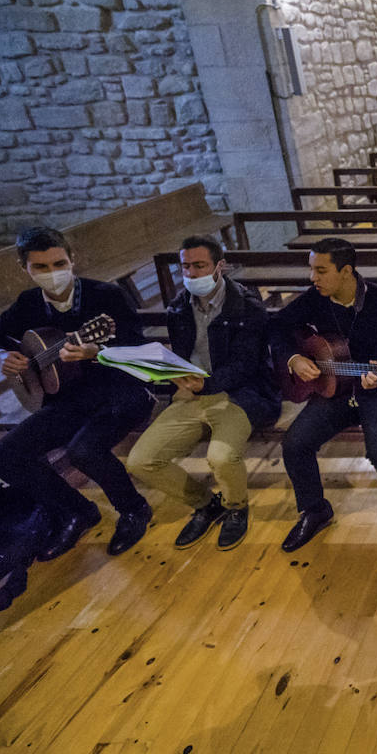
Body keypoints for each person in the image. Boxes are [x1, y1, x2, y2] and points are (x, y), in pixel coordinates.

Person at [0, 226, 154, 560]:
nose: (52, 274)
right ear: (24, 268)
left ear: (73, 259)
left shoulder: (106, 296)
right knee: (3, 457)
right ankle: (77, 511)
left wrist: (96, 351)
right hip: (66, 400)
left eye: (59, 264)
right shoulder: (28, 304)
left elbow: (139, 347)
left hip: (119, 392)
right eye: (40, 268)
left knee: (83, 450)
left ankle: (134, 509)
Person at [125, 235, 280, 550]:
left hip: (240, 394)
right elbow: (180, 356)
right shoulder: (178, 307)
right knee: (141, 461)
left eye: (200, 265)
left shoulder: (246, 306)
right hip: (191, 394)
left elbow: (248, 364)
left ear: (219, 266)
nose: (192, 273)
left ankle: (236, 507)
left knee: (221, 457)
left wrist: (206, 384)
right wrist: (170, 376)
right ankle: (207, 504)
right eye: (186, 266)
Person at [270, 238, 377, 551]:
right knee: (295, 444)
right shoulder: (314, 299)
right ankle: (315, 508)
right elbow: (276, 327)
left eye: (321, 271)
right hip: (334, 391)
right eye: (312, 270)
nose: (313, 278)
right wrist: (293, 358)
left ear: (346, 271)